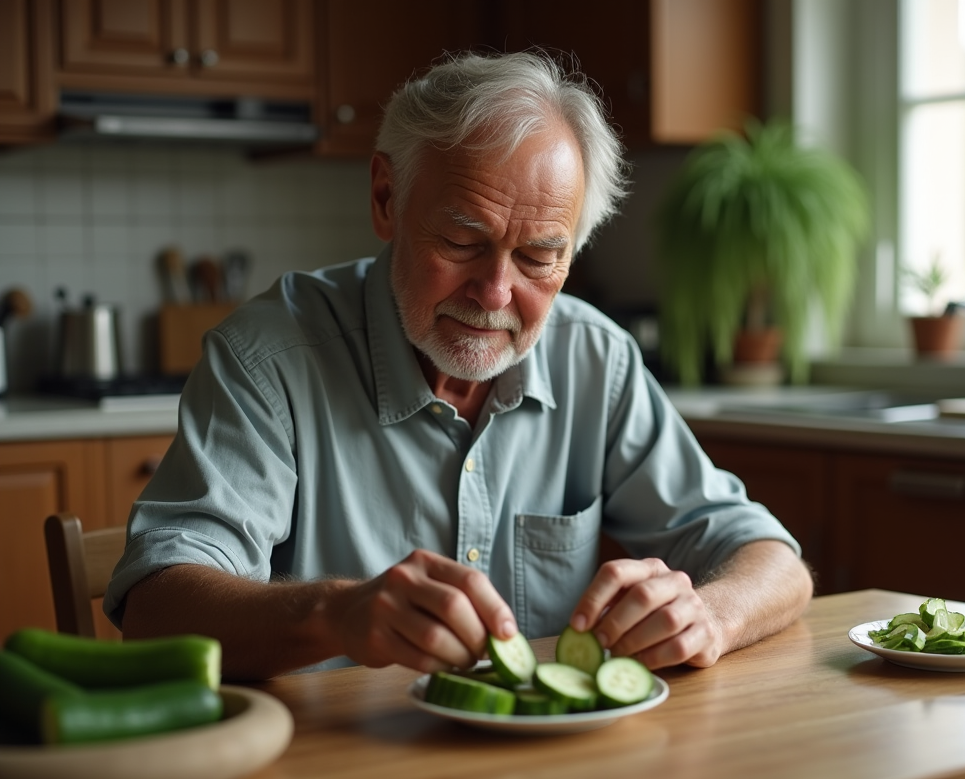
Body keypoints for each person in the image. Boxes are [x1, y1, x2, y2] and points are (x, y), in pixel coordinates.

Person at [104, 51, 813, 680]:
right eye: (462, 242)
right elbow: (155, 607)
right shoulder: (269, 359)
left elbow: (770, 558)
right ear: (386, 198)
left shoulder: (597, 358)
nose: (495, 293)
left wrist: (710, 615)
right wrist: (337, 614)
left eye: (538, 256)